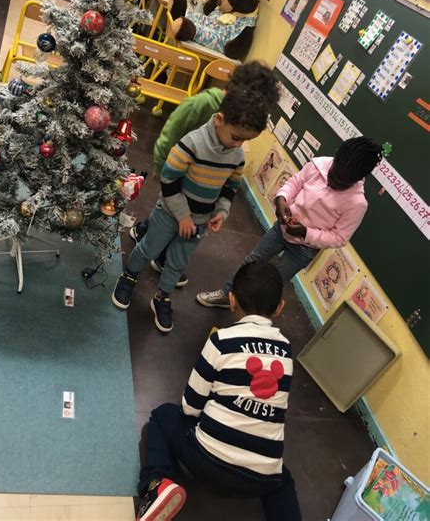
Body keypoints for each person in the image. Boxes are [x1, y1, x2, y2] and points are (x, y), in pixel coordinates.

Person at [135, 261, 301, 521]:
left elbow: (190, 406)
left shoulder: (221, 341)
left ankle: (156, 486)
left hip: (205, 462)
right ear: (280, 307)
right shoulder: (287, 353)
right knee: (284, 481)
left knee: (162, 416)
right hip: (260, 478)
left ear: (232, 300)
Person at [111, 86, 271, 332]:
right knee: (149, 248)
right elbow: (169, 179)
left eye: (245, 140)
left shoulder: (236, 154)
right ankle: (129, 276)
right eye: (236, 137)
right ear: (219, 120)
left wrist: (222, 211)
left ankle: (162, 297)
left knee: (177, 262)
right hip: (169, 213)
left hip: (200, 220)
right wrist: (183, 216)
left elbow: (231, 185)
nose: (239, 145)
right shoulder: (192, 144)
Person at [129, 61, 279, 288]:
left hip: (203, 177)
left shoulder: (238, 130)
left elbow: (231, 178)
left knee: (178, 219)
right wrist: (160, 169)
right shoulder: (203, 104)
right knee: (167, 211)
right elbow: (170, 134)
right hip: (179, 167)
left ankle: (162, 255)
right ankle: (145, 233)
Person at [197, 137, 383, 309]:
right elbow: (295, 182)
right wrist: (282, 199)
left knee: (272, 283)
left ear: (357, 178)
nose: (333, 179)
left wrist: (306, 233)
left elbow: (339, 238)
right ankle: (227, 294)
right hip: (281, 230)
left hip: (304, 249)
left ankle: (249, 314)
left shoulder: (357, 203)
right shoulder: (319, 165)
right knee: (251, 262)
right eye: (334, 171)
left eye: (341, 181)